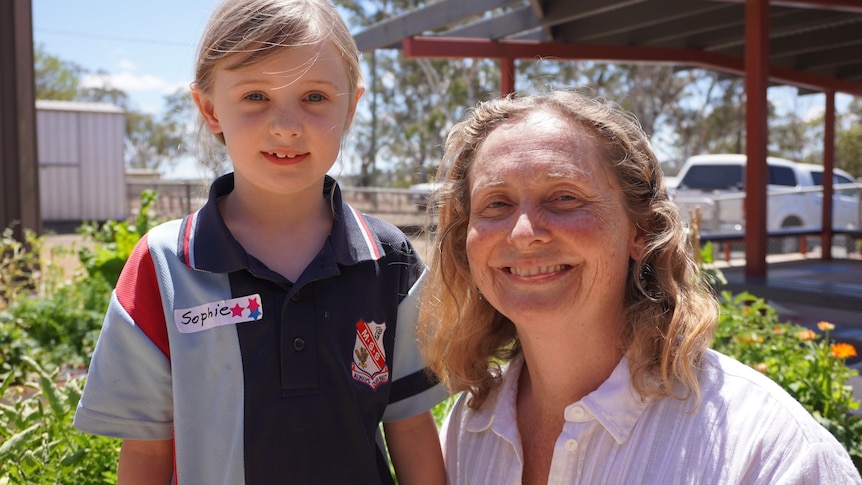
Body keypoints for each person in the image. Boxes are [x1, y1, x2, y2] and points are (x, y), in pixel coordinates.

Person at [73, 1, 447, 483]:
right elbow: (146, 453)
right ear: (210, 109)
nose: (286, 125)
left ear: (350, 108)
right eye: (255, 96)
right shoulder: (164, 266)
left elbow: (413, 429)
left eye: (314, 97)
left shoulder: (388, 261)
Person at [418, 90, 862, 484]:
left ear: (641, 231)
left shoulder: (769, 453)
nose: (523, 232)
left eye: (565, 197)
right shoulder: (470, 426)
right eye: (496, 204)